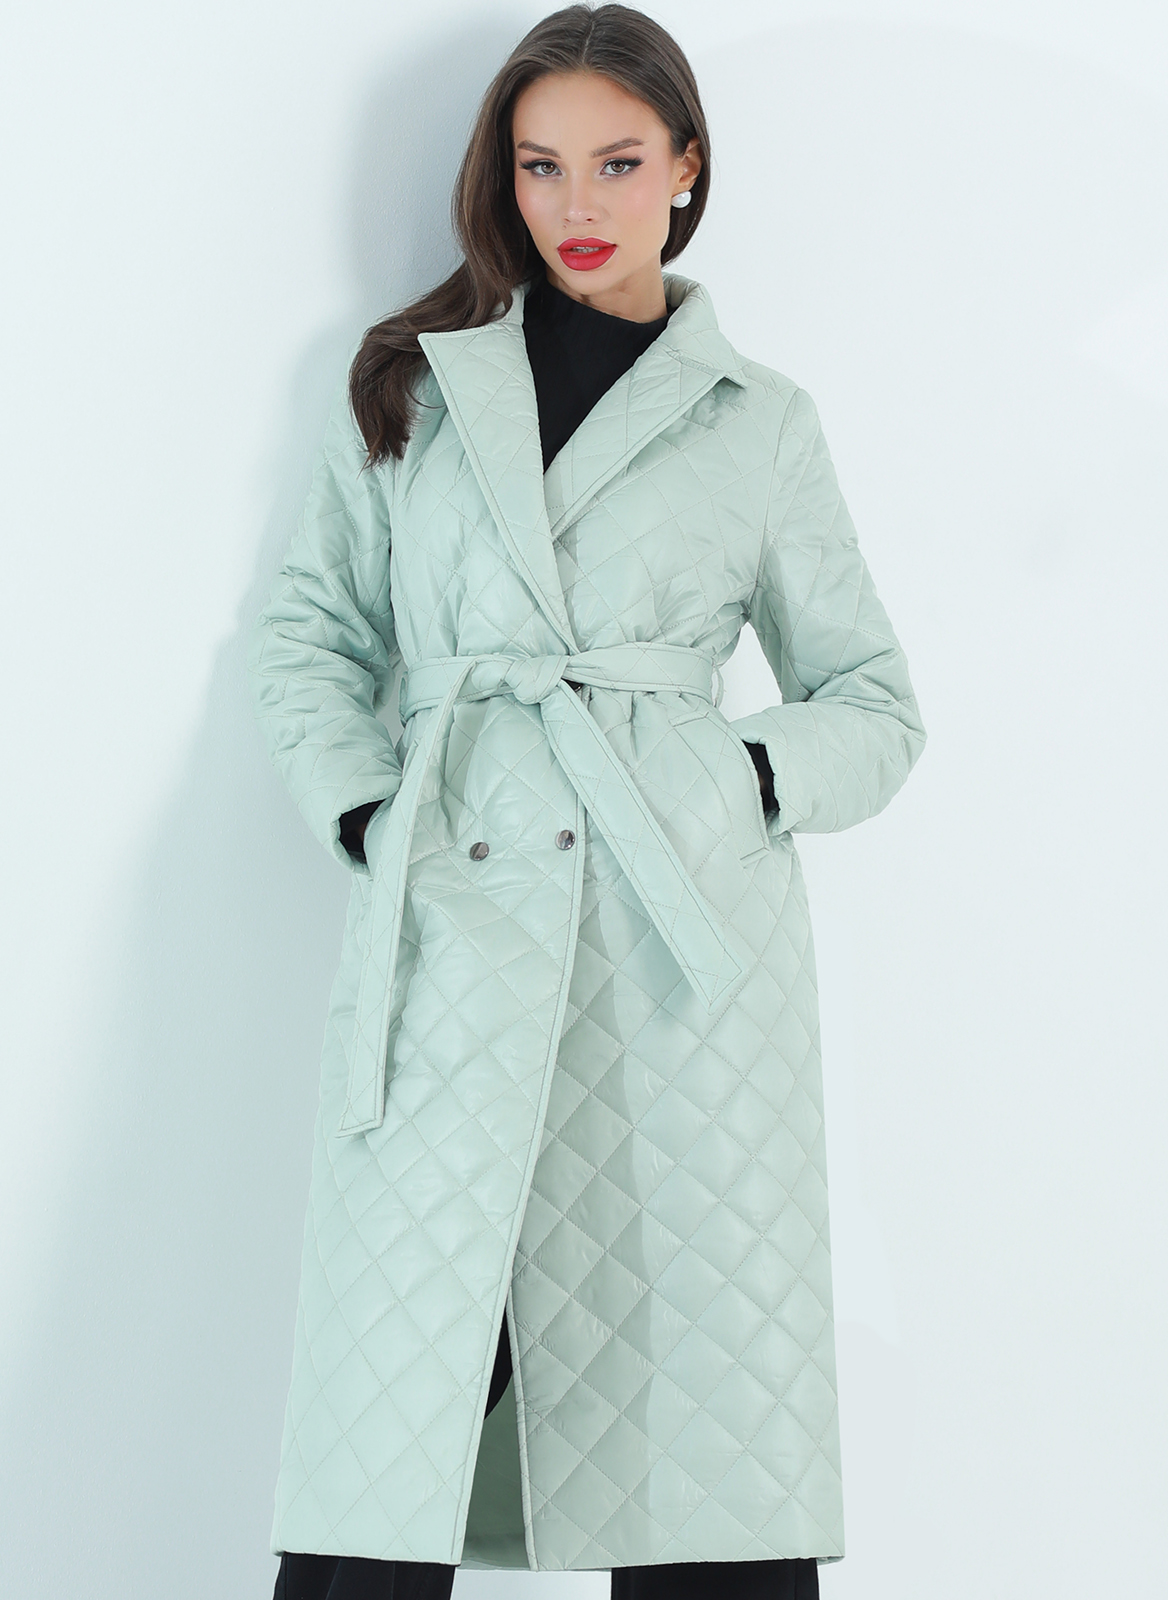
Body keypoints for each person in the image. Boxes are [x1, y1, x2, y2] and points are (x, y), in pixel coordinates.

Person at [249, 5, 926, 1597]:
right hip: (455, 928)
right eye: (541, 165)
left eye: (619, 163)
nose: (578, 204)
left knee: (703, 1440)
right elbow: (312, 634)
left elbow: (876, 705)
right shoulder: (410, 387)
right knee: (388, 1426)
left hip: (677, 966)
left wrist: (733, 774)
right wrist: (370, 816)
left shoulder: (759, 419)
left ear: (687, 169)